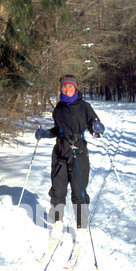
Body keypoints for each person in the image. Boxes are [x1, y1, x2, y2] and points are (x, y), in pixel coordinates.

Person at [35, 74, 104, 238]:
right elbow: (57, 130)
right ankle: (57, 223)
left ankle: (81, 227)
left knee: (78, 191)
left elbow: (95, 129)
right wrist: (44, 133)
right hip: (60, 153)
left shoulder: (85, 107)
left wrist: (97, 128)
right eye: (64, 86)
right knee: (57, 191)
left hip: (78, 153)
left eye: (70, 86)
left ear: (75, 88)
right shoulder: (58, 108)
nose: (67, 89)